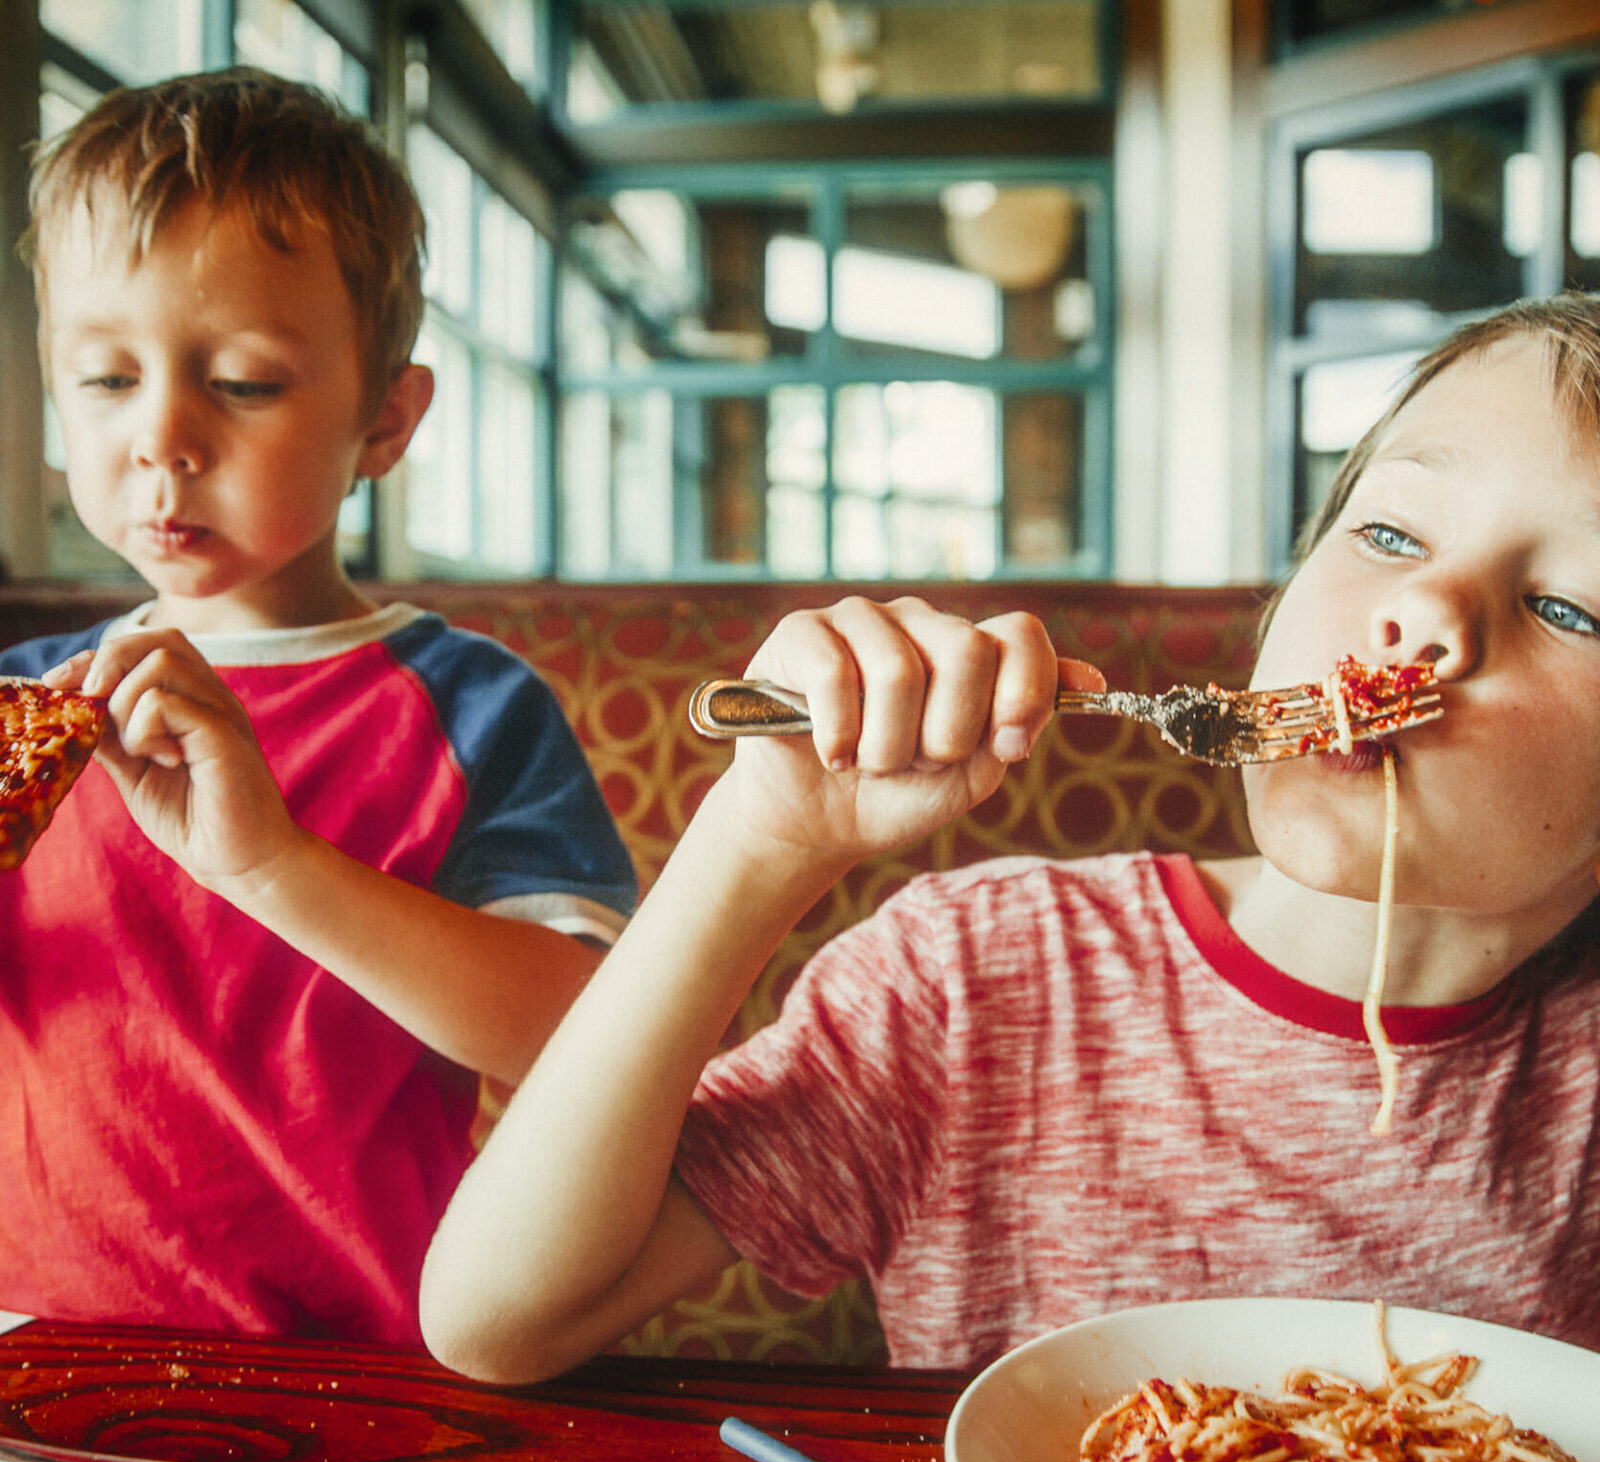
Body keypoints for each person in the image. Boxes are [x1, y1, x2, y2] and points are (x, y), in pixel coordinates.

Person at [420, 289, 1600, 1383]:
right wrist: (758, 841)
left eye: (1567, 607)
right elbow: (501, 1318)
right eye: (1392, 534)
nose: (1430, 614)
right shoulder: (982, 982)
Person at [0, 68, 636, 1342]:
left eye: (242, 381)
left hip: (366, 1360)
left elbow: (589, 1050)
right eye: (107, 379)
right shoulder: (23, 710)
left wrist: (274, 865)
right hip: (34, 1348)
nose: (162, 437)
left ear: (385, 420)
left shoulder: (469, 707)